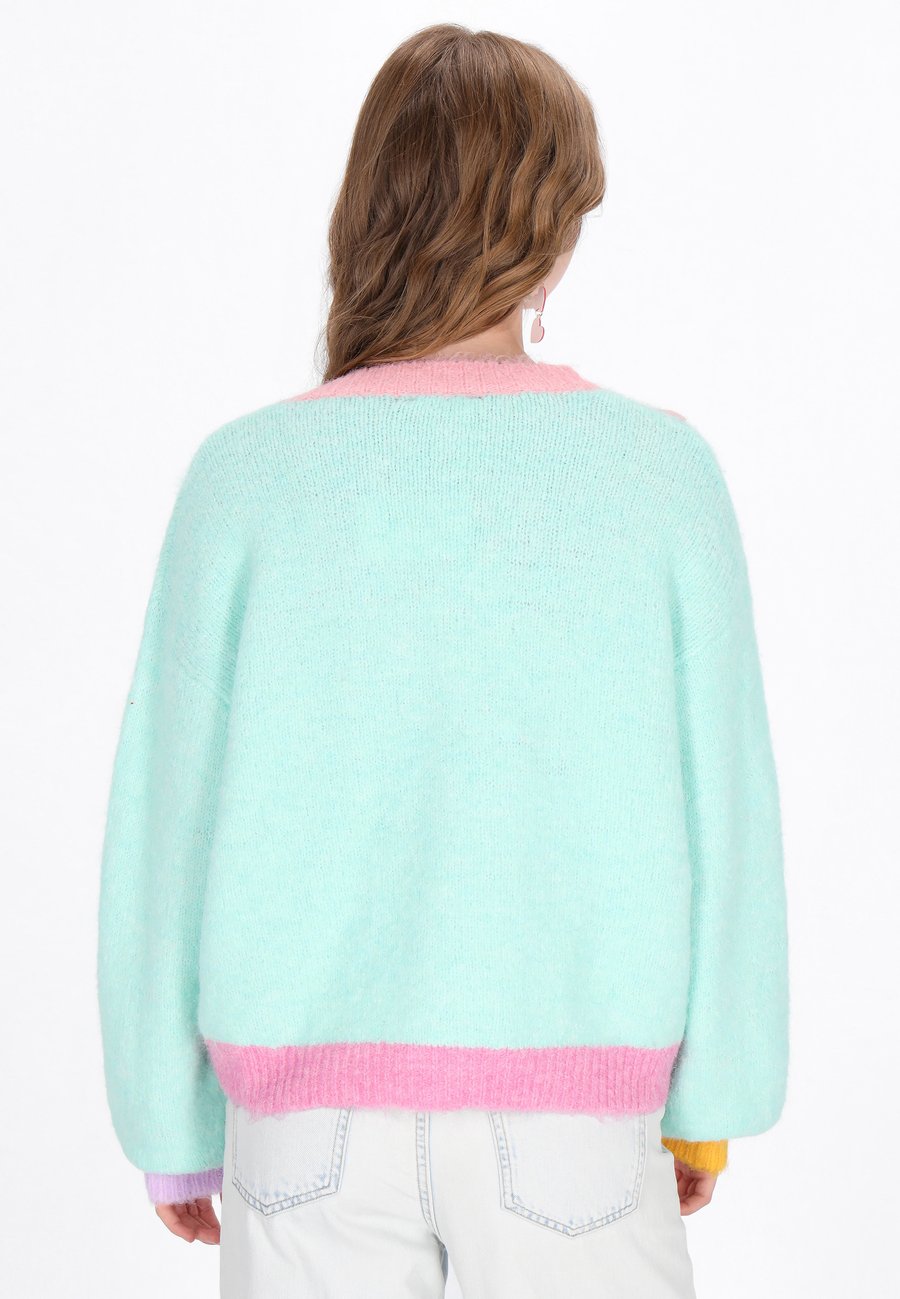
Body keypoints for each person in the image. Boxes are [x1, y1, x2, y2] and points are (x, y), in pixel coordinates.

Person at [97, 22, 789, 1299]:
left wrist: (168, 1121)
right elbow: (727, 806)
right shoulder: (662, 476)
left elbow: (164, 821)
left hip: (301, 1127)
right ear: (552, 233)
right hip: (577, 1113)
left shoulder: (243, 478)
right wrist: (715, 1098)